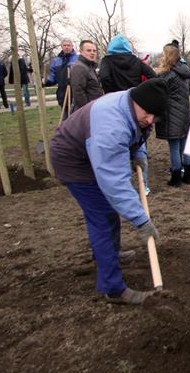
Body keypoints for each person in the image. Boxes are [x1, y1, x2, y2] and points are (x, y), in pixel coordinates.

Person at [49, 78, 168, 305]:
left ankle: (109, 255)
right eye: (148, 113)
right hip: (73, 161)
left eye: (156, 116)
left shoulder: (134, 106)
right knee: (102, 217)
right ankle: (113, 288)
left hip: (90, 150)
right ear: (136, 101)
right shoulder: (111, 127)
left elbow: (138, 129)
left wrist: (139, 153)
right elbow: (115, 181)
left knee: (108, 214)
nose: (150, 119)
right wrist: (141, 220)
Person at [98, 34, 157, 193]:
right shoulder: (136, 61)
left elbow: (103, 76)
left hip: (116, 106)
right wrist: (141, 91)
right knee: (139, 140)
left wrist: (111, 92)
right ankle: (143, 184)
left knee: (118, 141)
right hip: (135, 104)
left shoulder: (107, 61)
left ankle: (123, 185)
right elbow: (153, 76)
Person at [155, 43, 190, 187]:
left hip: (172, 115)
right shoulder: (186, 72)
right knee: (186, 146)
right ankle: (189, 176)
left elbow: (159, 94)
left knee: (174, 146)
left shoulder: (165, 74)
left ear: (167, 56)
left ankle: (176, 178)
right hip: (186, 113)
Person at [44, 38, 79, 119]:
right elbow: (53, 74)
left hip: (75, 92)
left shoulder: (77, 59)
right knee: (65, 117)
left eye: (68, 45)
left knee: (76, 117)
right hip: (62, 92)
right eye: (65, 45)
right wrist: (48, 81)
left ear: (72, 46)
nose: (67, 47)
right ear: (62, 47)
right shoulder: (57, 61)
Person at [69, 40, 103, 113]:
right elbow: (78, 93)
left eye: (94, 51)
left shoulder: (90, 67)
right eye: (88, 50)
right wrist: (87, 110)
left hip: (93, 107)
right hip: (85, 111)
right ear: (81, 52)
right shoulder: (79, 68)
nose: (92, 53)